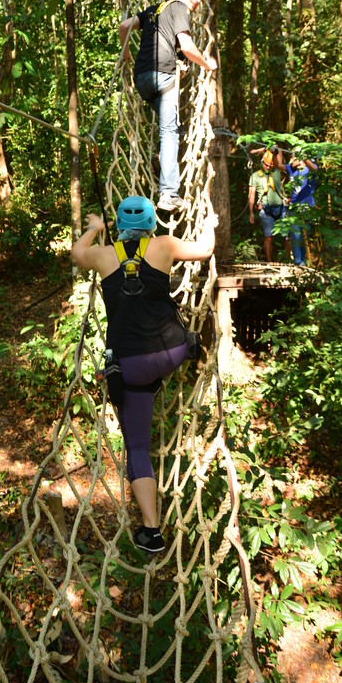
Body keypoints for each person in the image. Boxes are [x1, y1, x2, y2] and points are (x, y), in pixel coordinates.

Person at [71, 192, 217, 554]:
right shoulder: (166, 245)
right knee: (179, 338)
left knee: (137, 446)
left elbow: (77, 253)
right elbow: (206, 249)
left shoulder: (104, 256)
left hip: (132, 366)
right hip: (171, 351)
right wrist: (211, 220)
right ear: (152, 224)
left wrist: (94, 228)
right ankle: (188, 350)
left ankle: (152, 531)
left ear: (120, 226)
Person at [118, 0, 217, 213]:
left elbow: (124, 26)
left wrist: (125, 54)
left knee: (171, 127)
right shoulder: (179, 7)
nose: (197, 0)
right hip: (163, 77)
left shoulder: (154, 10)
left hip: (143, 81)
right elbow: (186, 45)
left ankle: (163, 158)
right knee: (170, 132)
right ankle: (169, 194)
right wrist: (207, 64)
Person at [248, 146, 287, 263]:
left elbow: (278, 149)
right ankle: (269, 262)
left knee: (287, 236)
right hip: (265, 209)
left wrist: (264, 148)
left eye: (270, 165)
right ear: (262, 162)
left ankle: (287, 260)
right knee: (268, 237)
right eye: (266, 164)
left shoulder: (276, 172)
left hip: (280, 208)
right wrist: (251, 212)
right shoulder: (255, 176)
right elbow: (252, 194)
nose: (269, 167)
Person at [284, 152, 318, 266]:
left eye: (294, 157)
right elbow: (278, 165)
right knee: (295, 234)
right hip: (294, 207)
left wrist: (304, 156)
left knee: (304, 235)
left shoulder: (309, 169)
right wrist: (274, 152)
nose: (292, 159)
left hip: (307, 207)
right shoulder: (291, 169)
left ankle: (303, 260)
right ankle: (298, 261)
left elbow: (314, 169)